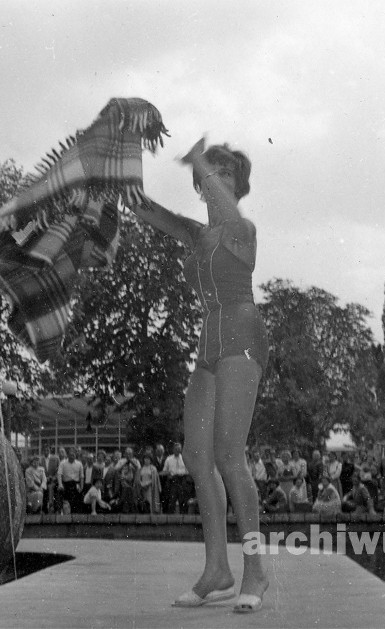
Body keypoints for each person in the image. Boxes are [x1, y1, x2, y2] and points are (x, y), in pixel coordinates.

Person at [132, 138, 269, 612]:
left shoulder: (241, 228)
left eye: (225, 175)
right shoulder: (198, 234)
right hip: (209, 342)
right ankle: (217, 570)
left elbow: (226, 212)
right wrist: (119, 180)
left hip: (243, 333)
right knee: (196, 455)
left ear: (236, 185)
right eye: (211, 176)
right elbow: (150, 212)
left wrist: (201, 162)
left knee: (231, 455)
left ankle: (256, 570)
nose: (215, 182)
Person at [57, 447, 84, 514]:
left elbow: (81, 477)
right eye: (71, 454)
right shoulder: (62, 463)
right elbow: (59, 474)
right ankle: (61, 511)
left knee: (79, 494)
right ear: (68, 455)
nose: (72, 456)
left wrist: (82, 486)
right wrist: (60, 484)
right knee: (60, 492)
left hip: (76, 483)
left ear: (75, 455)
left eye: (73, 454)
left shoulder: (79, 464)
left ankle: (77, 514)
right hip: (66, 483)